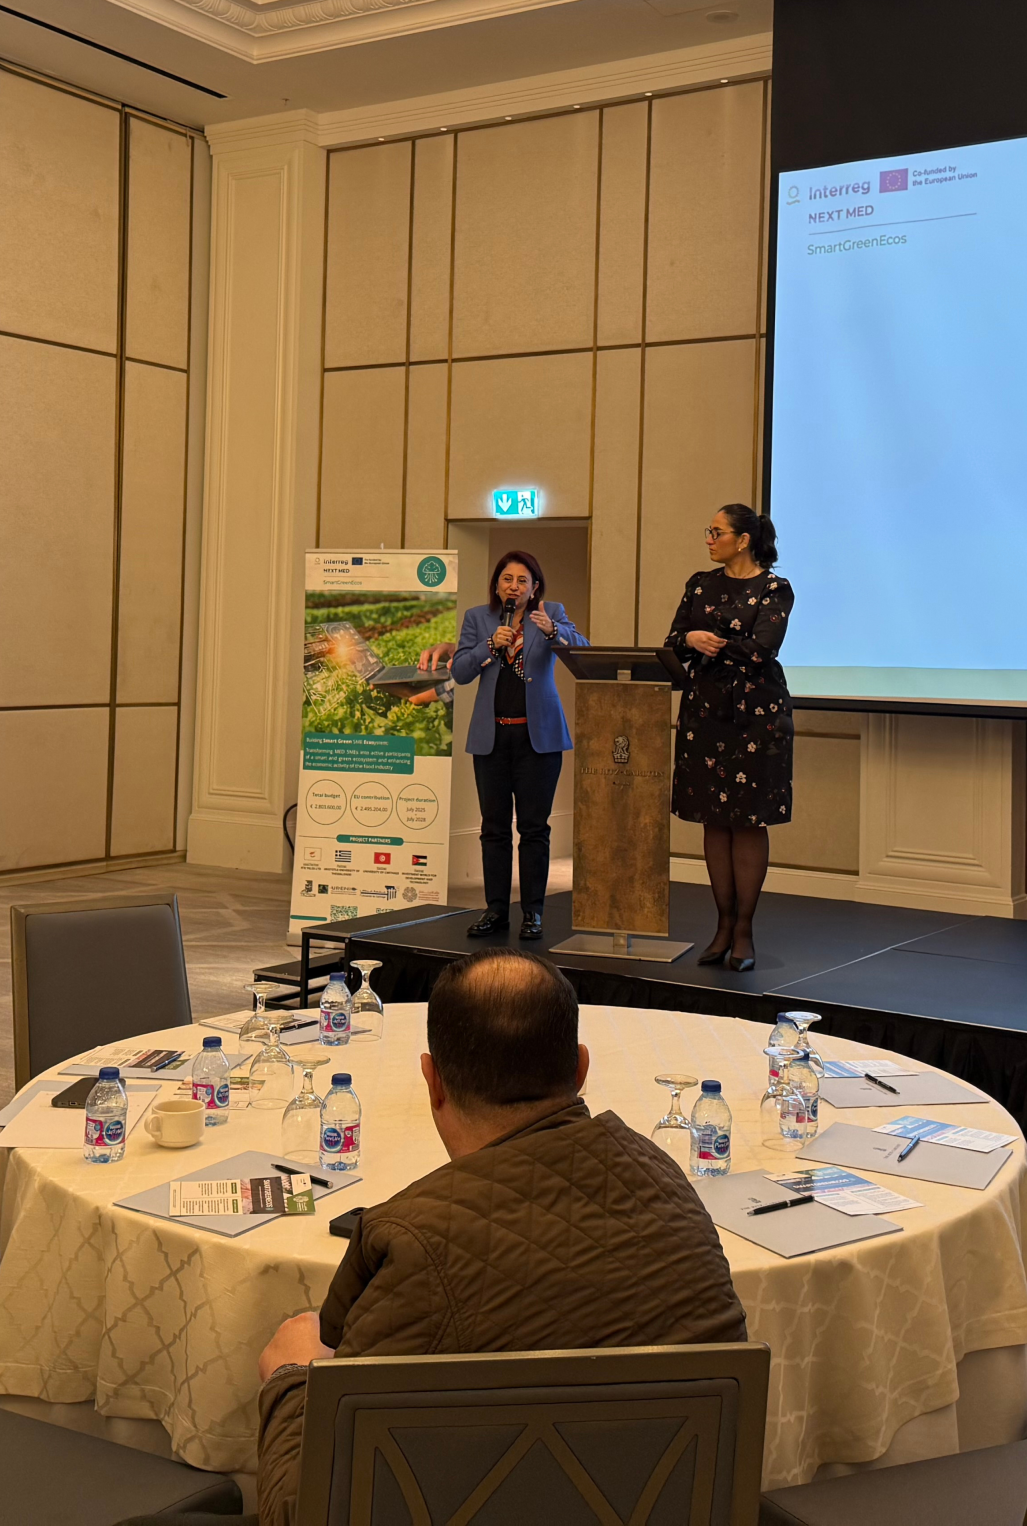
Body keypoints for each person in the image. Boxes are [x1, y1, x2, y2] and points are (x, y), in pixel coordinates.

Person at [251, 950, 743, 1524]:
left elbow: (309, 1511)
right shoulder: (669, 1181)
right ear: (581, 1069)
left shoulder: (413, 1242)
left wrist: (291, 1382)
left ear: (433, 1082)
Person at [665, 505, 794, 972]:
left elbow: (762, 649)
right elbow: (673, 640)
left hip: (756, 717)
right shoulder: (700, 584)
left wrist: (711, 642)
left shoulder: (775, 588)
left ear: (743, 540)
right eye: (709, 531)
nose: (708, 538)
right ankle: (721, 926)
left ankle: (743, 931)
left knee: (748, 820)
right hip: (704, 711)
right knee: (713, 820)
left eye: (716, 532)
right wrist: (691, 640)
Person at [435, 552, 586, 942]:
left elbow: (581, 651)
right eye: (507, 579)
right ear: (497, 584)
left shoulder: (551, 613)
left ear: (535, 588)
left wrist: (553, 631)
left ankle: (533, 912)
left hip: (538, 741)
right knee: (494, 829)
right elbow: (461, 672)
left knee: (534, 829)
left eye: (522, 580)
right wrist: (489, 645)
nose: (514, 586)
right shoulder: (479, 618)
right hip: (493, 739)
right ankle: (496, 910)